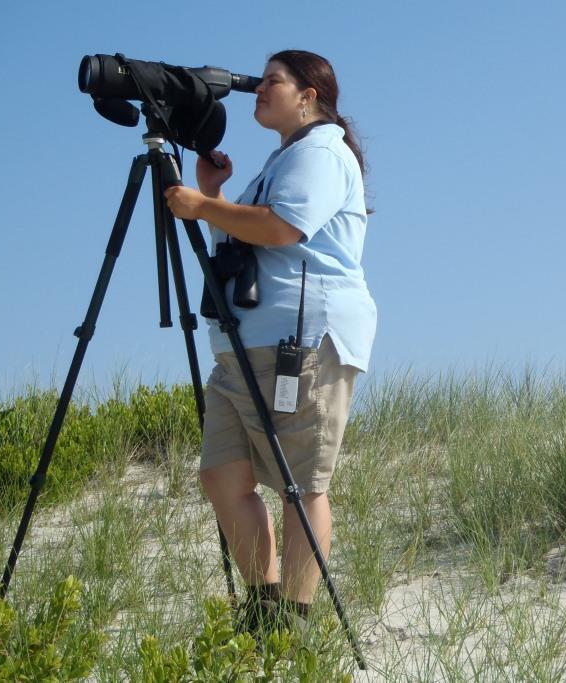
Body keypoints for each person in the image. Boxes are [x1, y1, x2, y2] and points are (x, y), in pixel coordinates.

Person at [164, 49, 375, 632]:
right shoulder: (285, 159)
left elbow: (285, 229)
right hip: (244, 342)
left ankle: (296, 620)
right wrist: (219, 199)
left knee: (299, 482)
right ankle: (264, 611)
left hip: (302, 339)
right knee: (222, 474)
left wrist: (203, 204)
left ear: (308, 94)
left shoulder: (323, 152)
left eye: (272, 81)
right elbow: (251, 241)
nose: (259, 88)